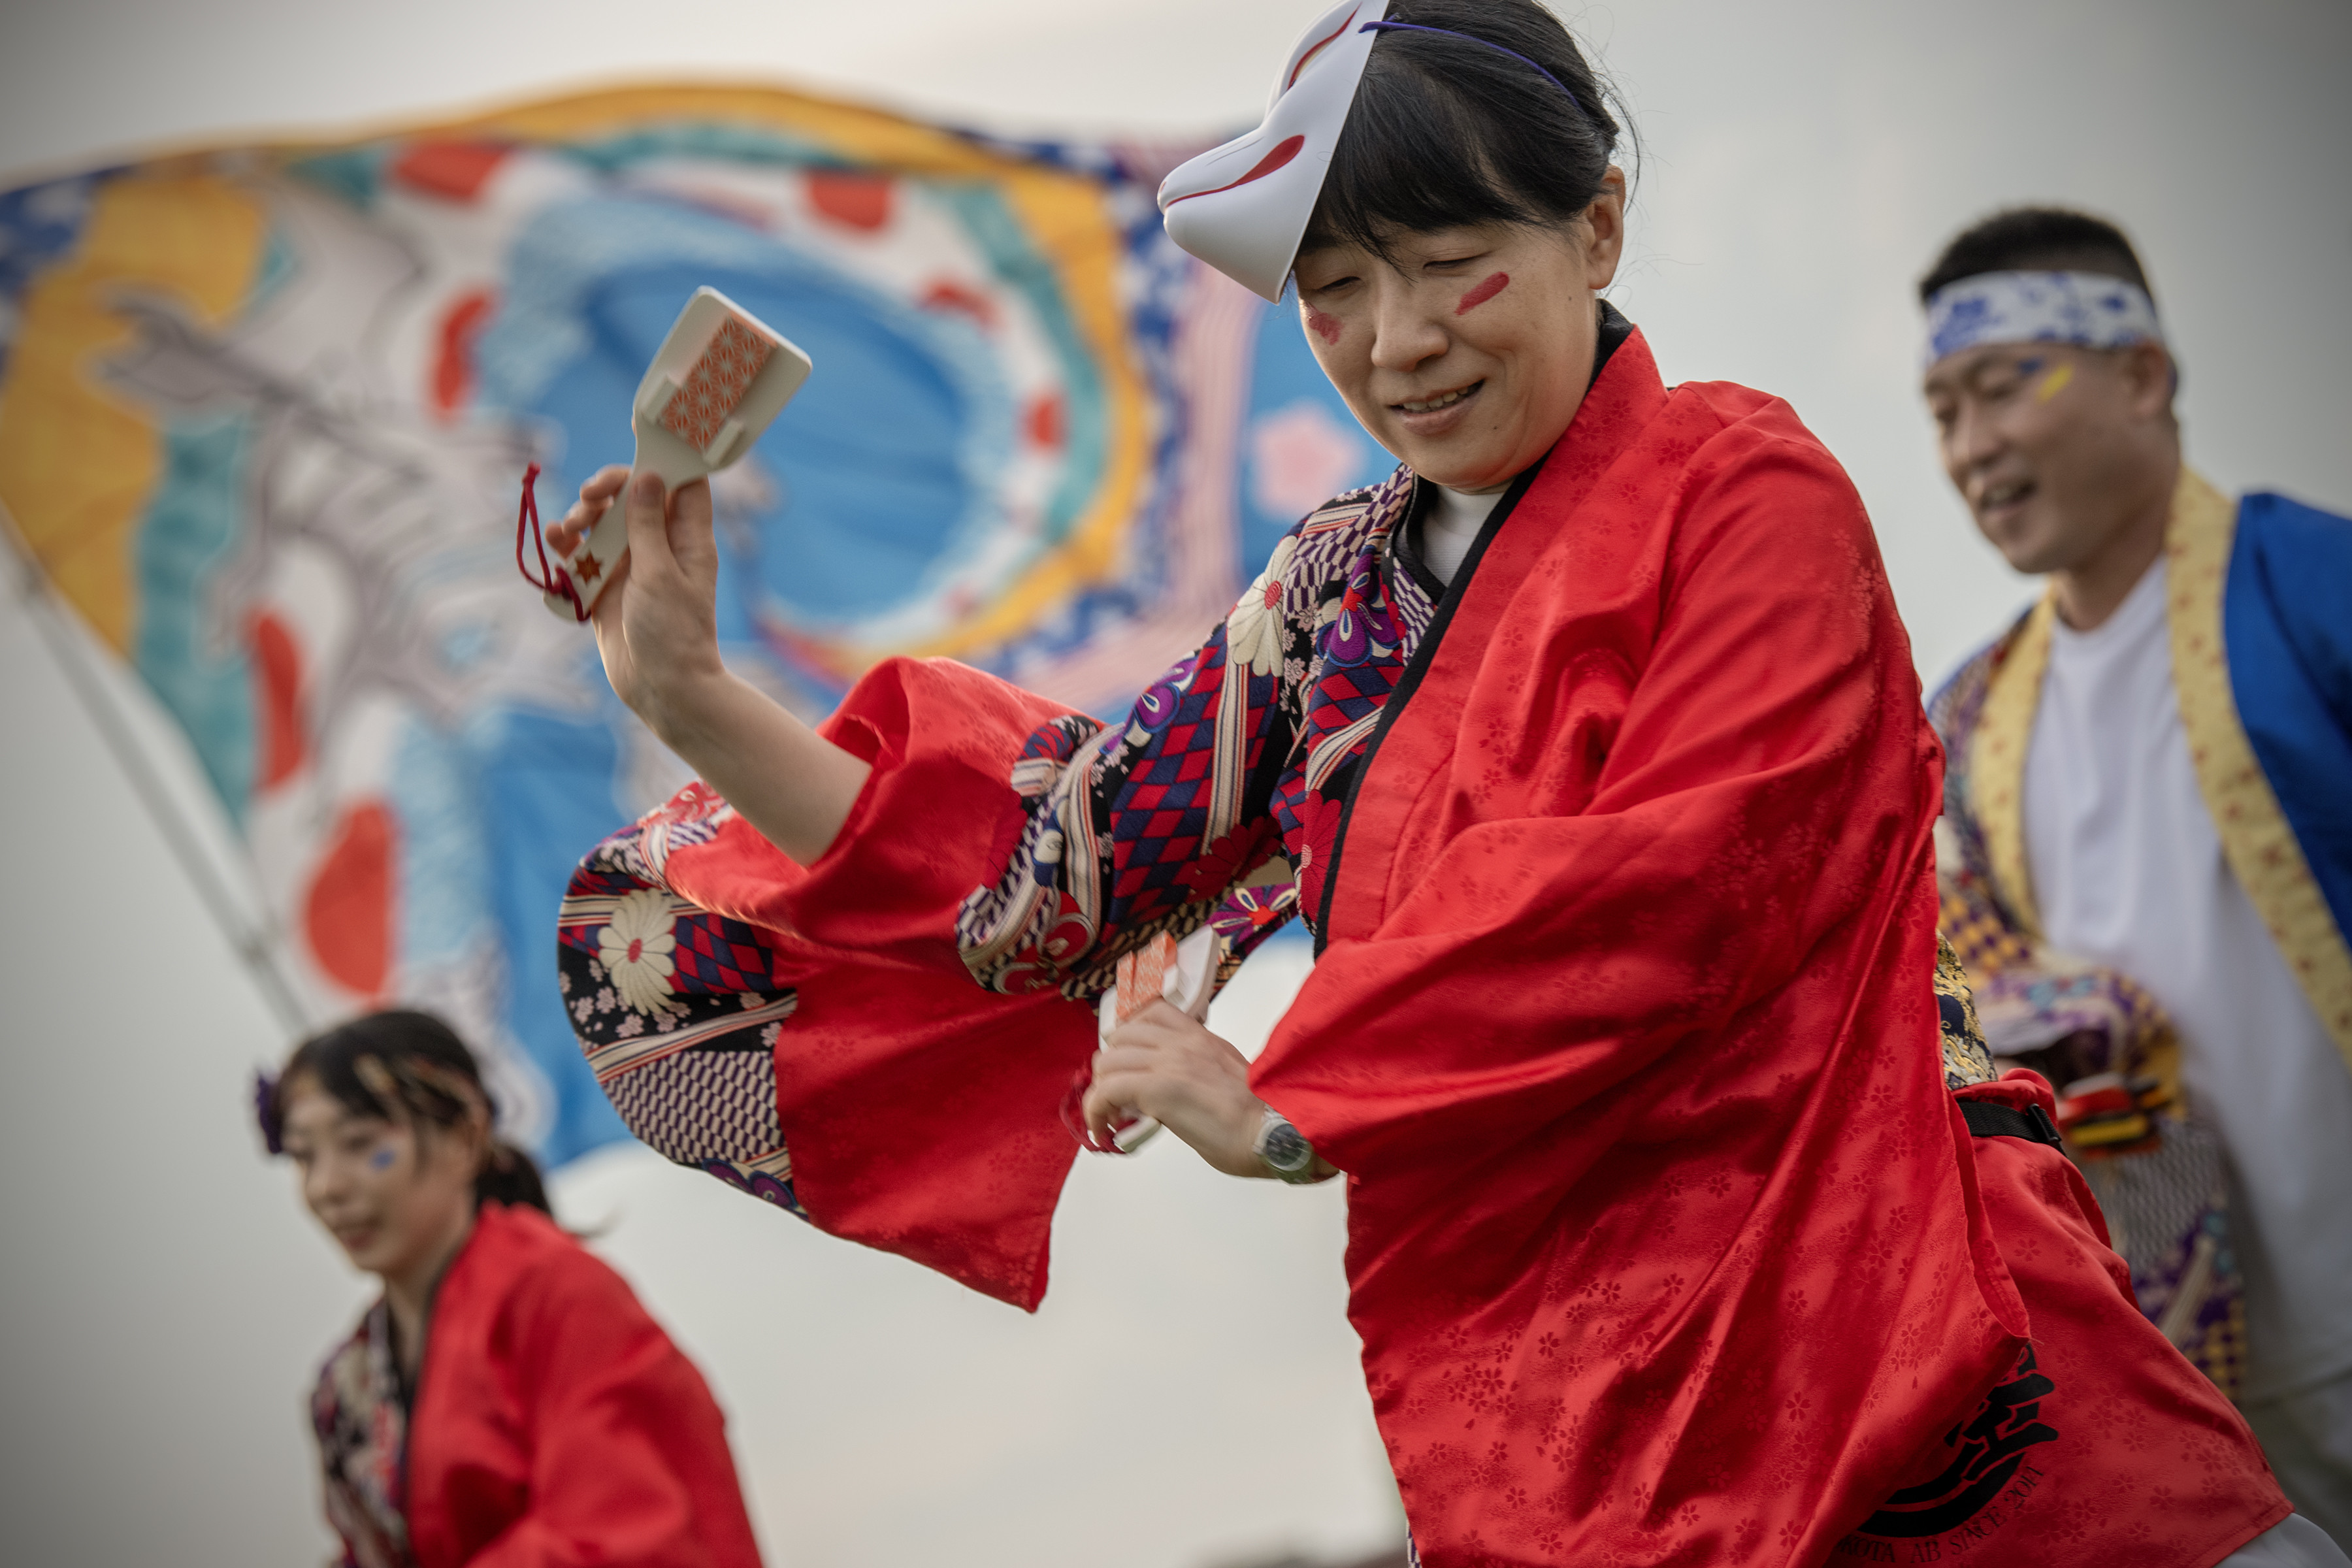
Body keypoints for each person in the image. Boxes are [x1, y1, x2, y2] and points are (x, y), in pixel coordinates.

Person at [540, 3, 2323, 1561]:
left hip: (1901, 1325)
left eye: (1451, 259)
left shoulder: (1744, 490)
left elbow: (1668, 893)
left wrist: (1296, 1096)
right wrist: (690, 689)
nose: (1396, 339)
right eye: (1333, 289)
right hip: (1563, 1420)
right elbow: (1035, 889)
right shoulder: (1326, 597)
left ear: (1596, 224)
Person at [1921, 206, 2352, 1546]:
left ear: (2144, 374)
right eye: (1943, 411)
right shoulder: (1968, 724)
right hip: (2192, 1371)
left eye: (2003, 386)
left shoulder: (2321, 592)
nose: (1971, 446)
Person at [259, 1010, 766, 1568]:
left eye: (360, 1144)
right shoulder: (346, 1384)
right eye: (304, 1156)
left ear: (463, 1138)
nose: (327, 1187)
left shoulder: (555, 1293)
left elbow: (623, 1526)